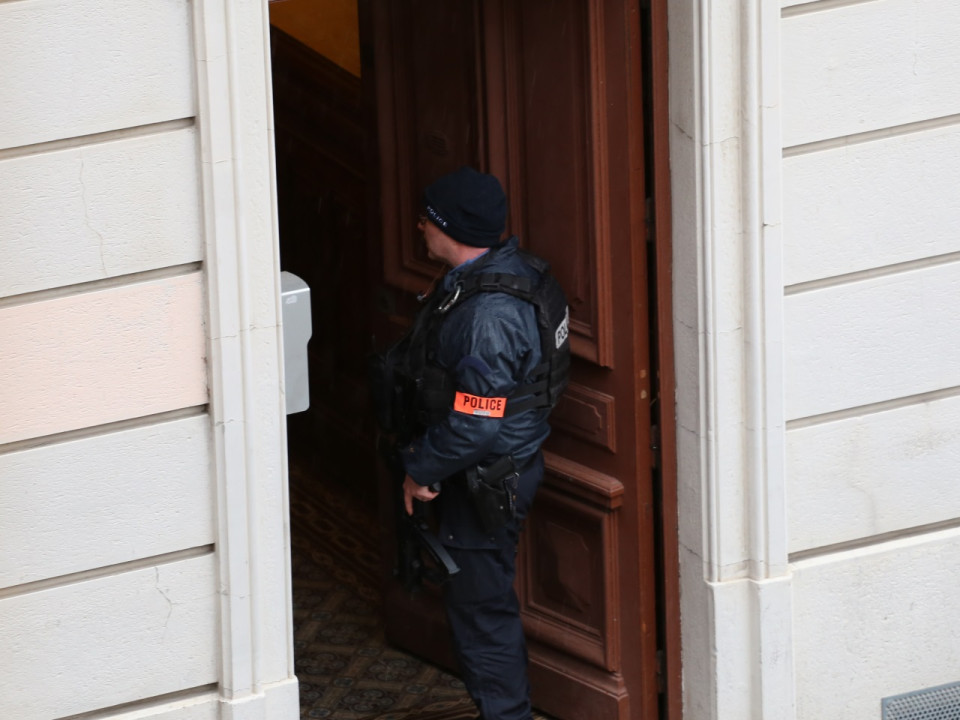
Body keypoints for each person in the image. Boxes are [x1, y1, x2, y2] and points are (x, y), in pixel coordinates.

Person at [397, 166, 568, 720]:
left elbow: (476, 423)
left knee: (481, 613)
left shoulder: (486, 317)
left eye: (425, 218)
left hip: (486, 477)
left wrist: (419, 469)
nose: (418, 227)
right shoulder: (520, 273)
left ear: (448, 227)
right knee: (480, 605)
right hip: (505, 464)